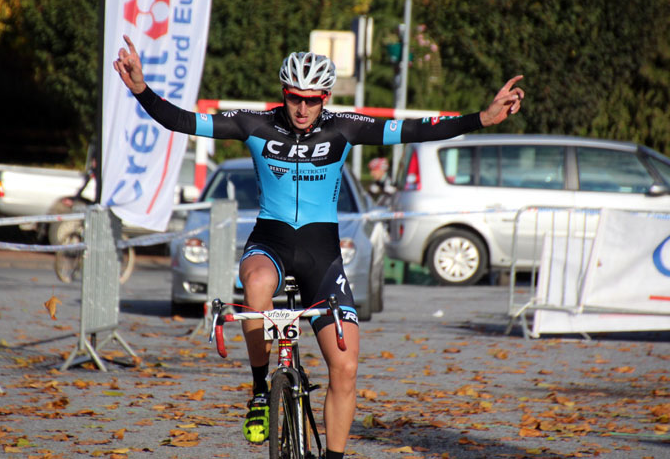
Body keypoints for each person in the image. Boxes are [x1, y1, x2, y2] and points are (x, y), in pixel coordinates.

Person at [113, 35, 524, 458]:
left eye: (312, 100)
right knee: (255, 285)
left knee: (345, 368)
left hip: (321, 257)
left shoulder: (343, 128)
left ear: (325, 97)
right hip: (270, 244)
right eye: (294, 98)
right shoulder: (255, 124)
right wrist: (141, 89)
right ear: (284, 94)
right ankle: (259, 392)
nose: (302, 109)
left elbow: (415, 130)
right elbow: (181, 121)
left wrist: (480, 117)